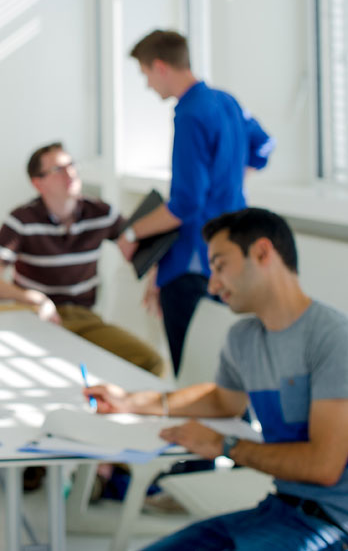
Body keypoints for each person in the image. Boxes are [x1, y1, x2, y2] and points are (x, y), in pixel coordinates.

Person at [88, 208, 348, 549]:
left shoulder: (333, 338)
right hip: (276, 510)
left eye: (220, 265)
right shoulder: (244, 338)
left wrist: (226, 447)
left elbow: (324, 466)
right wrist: (130, 401)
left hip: (331, 526)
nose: (212, 283)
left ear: (262, 253)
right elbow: (221, 401)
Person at [122, 29, 275, 375]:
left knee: (194, 368)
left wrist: (131, 235)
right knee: (231, 361)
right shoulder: (227, 102)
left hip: (194, 260)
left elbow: (186, 204)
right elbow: (264, 146)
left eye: (145, 74)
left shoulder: (189, 114)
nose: (147, 85)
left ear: (160, 67)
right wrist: (231, 180)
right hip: (234, 254)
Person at [0, 143, 164, 376]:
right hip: (36, 318)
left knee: (151, 362)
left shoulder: (100, 213)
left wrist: (156, 274)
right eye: (58, 169)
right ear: (38, 183)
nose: (70, 173)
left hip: (82, 317)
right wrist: (35, 299)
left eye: (71, 165)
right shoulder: (22, 220)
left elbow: (140, 245)